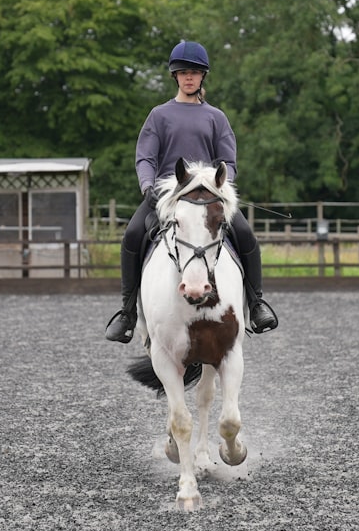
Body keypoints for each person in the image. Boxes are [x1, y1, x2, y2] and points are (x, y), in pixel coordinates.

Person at [104, 40, 279, 343]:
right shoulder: (159, 115)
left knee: (246, 235)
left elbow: (229, 162)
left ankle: (256, 303)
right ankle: (127, 313)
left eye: (195, 73)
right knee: (132, 235)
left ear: (202, 77)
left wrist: (219, 186)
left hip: (208, 197)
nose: (189, 77)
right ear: (175, 76)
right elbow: (145, 158)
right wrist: (148, 187)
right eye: (183, 72)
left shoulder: (216, 117)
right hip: (166, 197)